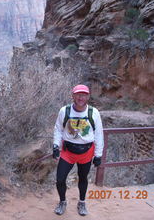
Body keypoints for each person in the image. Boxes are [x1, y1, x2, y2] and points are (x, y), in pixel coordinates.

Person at [52, 84, 104, 216]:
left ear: (88, 96)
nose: (81, 97)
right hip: (67, 152)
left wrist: (98, 155)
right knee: (60, 179)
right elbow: (58, 129)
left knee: (83, 178)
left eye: (84, 95)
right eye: (78, 94)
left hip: (86, 153)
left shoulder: (94, 113)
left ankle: (82, 202)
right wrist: (55, 146)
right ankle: (62, 201)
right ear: (73, 96)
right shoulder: (65, 111)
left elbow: (98, 134)